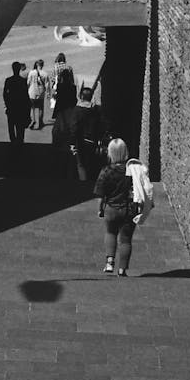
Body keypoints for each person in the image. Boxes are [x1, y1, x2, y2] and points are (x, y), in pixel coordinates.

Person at [93, 138, 152, 276]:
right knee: (126, 239)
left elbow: (100, 195)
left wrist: (100, 209)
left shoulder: (106, 171)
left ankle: (109, 263)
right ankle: (122, 269)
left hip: (111, 208)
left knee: (110, 233)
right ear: (125, 152)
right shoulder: (133, 171)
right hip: (129, 209)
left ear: (110, 153)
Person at [66, 85, 102, 183]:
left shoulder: (77, 111)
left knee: (80, 163)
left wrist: (72, 143)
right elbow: (100, 125)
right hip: (93, 140)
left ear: (81, 97)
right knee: (91, 161)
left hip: (80, 140)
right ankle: (91, 180)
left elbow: (74, 127)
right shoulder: (96, 110)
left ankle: (83, 183)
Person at [50, 51, 77, 152]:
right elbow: (73, 80)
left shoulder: (56, 67)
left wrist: (53, 90)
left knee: (60, 123)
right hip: (69, 104)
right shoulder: (69, 67)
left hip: (61, 104)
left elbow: (53, 79)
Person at [3, 61, 30, 149]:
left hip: (11, 106)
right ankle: (20, 143)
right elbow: (26, 95)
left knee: (11, 126)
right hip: (20, 107)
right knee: (20, 127)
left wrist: (7, 104)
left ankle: (13, 142)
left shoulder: (8, 80)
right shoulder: (22, 81)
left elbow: (5, 94)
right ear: (19, 69)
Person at [26, 59, 46, 129]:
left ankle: (33, 120)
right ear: (42, 65)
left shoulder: (31, 72)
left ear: (37, 64)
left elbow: (28, 83)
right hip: (41, 93)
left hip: (32, 92)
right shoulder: (45, 73)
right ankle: (40, 122)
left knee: (32, 108)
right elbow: (47, 84)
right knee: (40, 108)